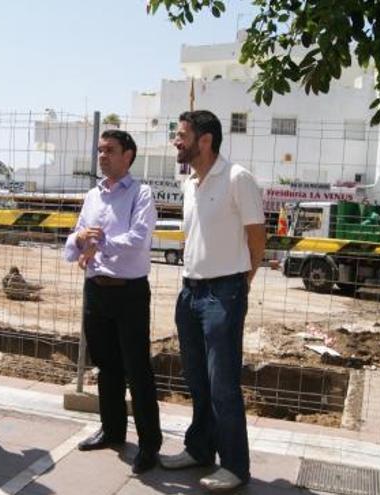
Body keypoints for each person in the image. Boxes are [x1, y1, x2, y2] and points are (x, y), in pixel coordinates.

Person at [158, 110, 266, 491]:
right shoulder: (191, 183)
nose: (176, 141)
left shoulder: (238, 178)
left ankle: (235, 466)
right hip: (191, 291)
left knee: (223, 384)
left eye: (182, 134)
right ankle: (200, 449)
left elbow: (257, 240)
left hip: (224, 293)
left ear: (205, 140)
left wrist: (241, 283)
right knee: (197, 378)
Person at [64, 129, 162, 474]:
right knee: (106, 366)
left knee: (137, 369)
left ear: (128, 155)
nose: (102, 156)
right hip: (96, 289)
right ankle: (112, 430)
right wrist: (80, 239)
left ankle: (150, 445)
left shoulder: (141, 193)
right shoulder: (93, 196)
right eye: (100, 151)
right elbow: (72, 243)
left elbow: (138, 239)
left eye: (110, 151)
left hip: (130, 292)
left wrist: (100, 242)